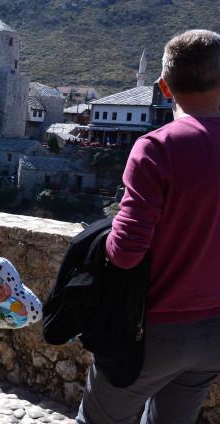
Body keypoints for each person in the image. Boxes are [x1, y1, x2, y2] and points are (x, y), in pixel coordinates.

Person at [77, 30, 220, 424]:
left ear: (163, 86)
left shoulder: (156, 148)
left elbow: (125, 253)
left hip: (151, 332)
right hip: (213, 335)